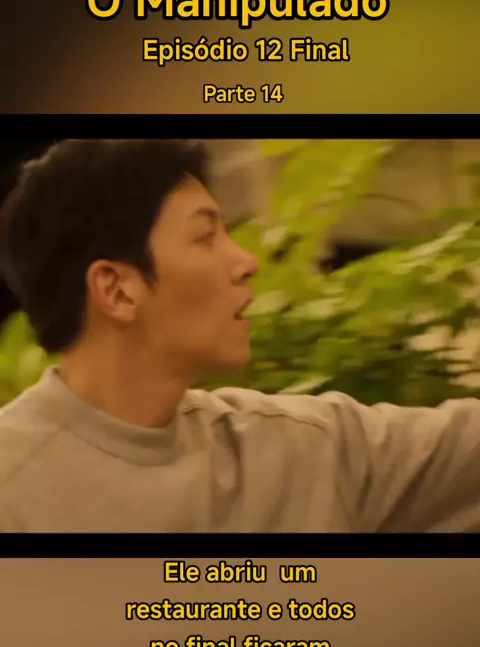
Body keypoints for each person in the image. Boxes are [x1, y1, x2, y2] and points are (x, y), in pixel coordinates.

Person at [0, 138, 479, 533]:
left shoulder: (300, 450)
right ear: (117, 290)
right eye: (205, 237)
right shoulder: (14, 490)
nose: (246, 262)